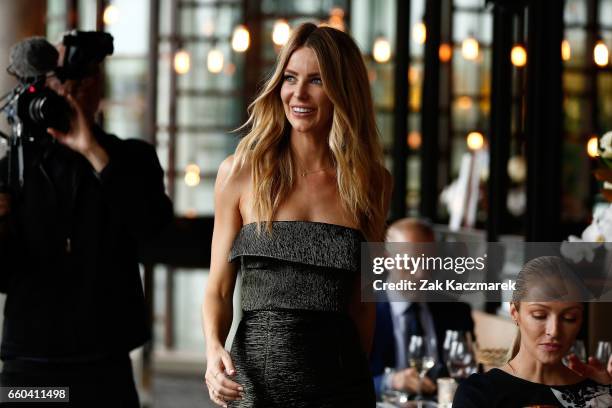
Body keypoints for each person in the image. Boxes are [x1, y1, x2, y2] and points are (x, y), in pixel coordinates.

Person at [202, 22, 392, 408]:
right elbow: (219, 289)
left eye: (317, 80)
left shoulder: (371, 183)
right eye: (290, 78)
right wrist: (212, 354)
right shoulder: (238, 172)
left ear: (343, 90)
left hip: (341, 388)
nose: (298, 93)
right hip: (255, 387)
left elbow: (362, 303)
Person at [0, 32, 173, 407]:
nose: (72, 92)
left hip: (103, 364)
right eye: (61, 81)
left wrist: (94, 153)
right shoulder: (14, 168)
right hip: (28, 366)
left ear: (98, 87)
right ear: (43, 87)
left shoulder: (131, 159)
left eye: (84, 81)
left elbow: (154, 232)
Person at [453, 256, 612, 407]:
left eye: (569, 318)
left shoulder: (599, 394)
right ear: (515, 313)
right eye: (539, 315)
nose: (554, 331)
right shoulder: (478, 393)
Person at [370, 218, 474, 399]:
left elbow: (468, 374)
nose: (421, 274)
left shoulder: (457, 312)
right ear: (387, 258)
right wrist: (390, 381)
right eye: (411, 263)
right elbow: (341, 384)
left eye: (429, 262)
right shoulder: (365, 311)